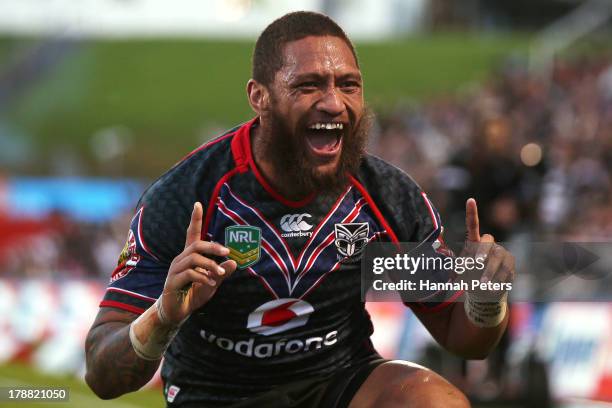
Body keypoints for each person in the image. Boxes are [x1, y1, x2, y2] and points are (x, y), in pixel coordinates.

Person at [85, 11, 515, 408]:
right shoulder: (188, 199)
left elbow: (463, 339)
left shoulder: (384, 199)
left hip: (339, 382)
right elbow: (103, 377)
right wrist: (163, 316)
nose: (333, 103)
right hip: (216, 395)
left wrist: (485, 297)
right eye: (308, 85)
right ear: (260, 97)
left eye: (349, 85)